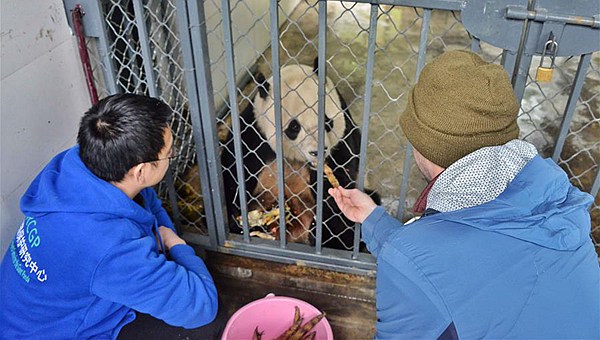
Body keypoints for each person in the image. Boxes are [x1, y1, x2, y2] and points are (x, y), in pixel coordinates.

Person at [329, 50, 600, 338]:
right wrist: (373, 219)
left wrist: (398, 252)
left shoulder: (411, 265)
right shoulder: (557, 200)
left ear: (424, 143)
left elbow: (425, 270)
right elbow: (445, 271)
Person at [0, 94, 224, 339]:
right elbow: (201, 308)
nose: (171, 157)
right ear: (140, 171)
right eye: (169, 154)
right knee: (208, 325)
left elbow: (147, 203)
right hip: (54, 332)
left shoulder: (76, 164)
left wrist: (166, 240)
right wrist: (176, 245)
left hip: (34, 310)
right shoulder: (108, 246)